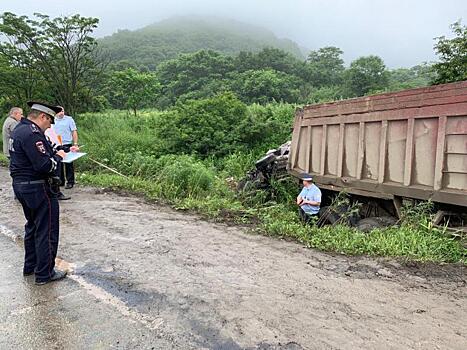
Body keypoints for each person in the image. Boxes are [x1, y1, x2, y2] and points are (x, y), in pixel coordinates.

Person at [9, 101, 68, 285]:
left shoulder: (19, 130)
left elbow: (40, 154)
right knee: (47, 230)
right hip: (38, 188)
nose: (50, 125)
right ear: (42, 117)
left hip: (21, 186)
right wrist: (59, 157)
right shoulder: (33, 134)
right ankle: (44, 274)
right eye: (49, 121)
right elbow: (44, 165)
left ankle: (31, 267)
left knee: (33, 227)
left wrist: (61, 150)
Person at [53, 106, 78, 189]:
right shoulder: (52, 120)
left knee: (68, 163)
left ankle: (70, 181)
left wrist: (75, 143)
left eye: (62, 111)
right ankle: (61, 181)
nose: (61, 113)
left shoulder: (69, 119)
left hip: (67, 144)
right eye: (59, 111)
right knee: (58, 163)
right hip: (56, 144)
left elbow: (74, 131)